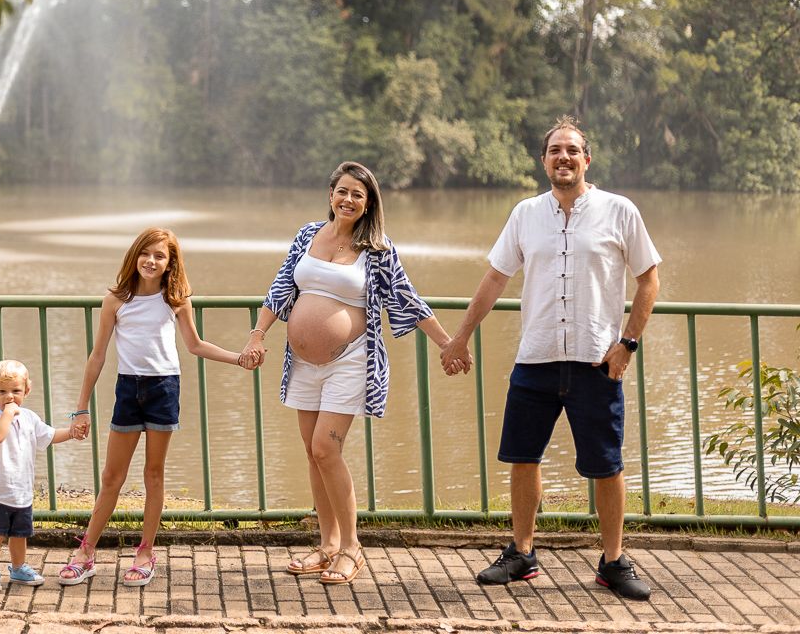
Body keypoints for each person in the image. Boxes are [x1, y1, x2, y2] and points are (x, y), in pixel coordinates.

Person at [440, 116, 661, 601]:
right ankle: (521, 555)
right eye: (555, 150)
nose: (563, 158)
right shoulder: (525, 214)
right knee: (523, 459)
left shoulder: (619, 211)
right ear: (544, 161)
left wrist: (628, 344)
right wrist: (460, 336)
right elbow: (495, 278)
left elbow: (649, 280)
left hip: (595, 363)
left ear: (587, 159)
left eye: (572, 150)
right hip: (535, 358)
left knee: (607, 466)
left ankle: (612, 562)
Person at [238, 161, 462, 585]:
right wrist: (257, 335)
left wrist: (448, 344)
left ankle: (352, 548)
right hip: (302, 363)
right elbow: (281, 287)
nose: (348, 199)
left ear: (368, 203)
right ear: (330, 195)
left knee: (326, 448)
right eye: (342, 191)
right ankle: (326, 545)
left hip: (351, 361)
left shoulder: (377, 249)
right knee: (312, 452)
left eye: (358, 194)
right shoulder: (307, 235)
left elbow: (406, 298)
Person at [57, 227, 255, 587]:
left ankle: (145, 552)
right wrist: (81, 407)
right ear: (135, 255)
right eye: (145, 253)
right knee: (111, 478)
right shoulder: (116, 299)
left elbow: (195, 345)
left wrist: (238, 359)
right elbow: (98, 355)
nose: (151, 260)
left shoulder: (175, 299)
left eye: (160, 256)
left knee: (154, 475)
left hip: (164, 388)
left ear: (170, 263)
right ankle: (85, 553)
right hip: (128, 390)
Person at [0, 359, 82, 591]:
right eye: (2, 392)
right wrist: (8, 413)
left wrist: (71, 433)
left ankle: (18, 568)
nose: (9, 397)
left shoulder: (29, 417)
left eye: (16, 391)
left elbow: (49, 435)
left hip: (21, 490)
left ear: (27, 390)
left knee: (19, 534)